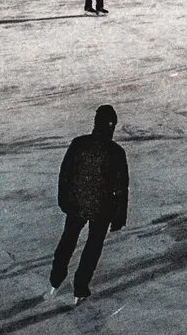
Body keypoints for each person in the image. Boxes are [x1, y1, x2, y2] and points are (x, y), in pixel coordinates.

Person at [45, 104, 129, 302]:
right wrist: (119, 216)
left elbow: (65, 174)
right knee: (92, 247)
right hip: (102, 209)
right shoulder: (116, 152)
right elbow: (122, 188)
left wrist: (64, 200)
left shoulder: (79, 144)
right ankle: (80, 288)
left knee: (68, 240)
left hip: (77, 204)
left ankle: (55, 280)